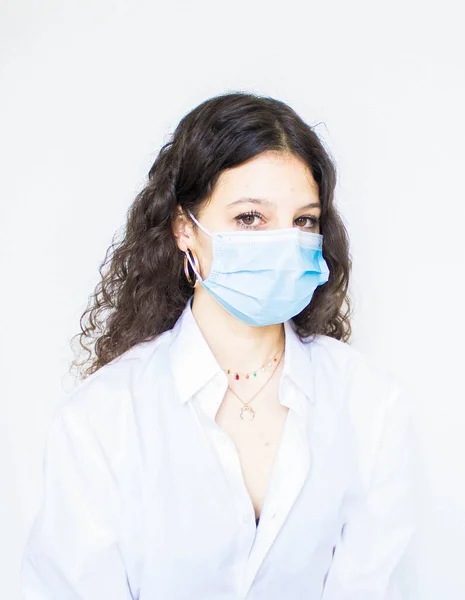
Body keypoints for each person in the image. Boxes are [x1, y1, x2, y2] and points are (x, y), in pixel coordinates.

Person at [20, 92, 417, 599]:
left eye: (304, 221)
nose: (283, 242)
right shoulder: (101, 418)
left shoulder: (371, 403)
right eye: (250, 218)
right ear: (186, 229)